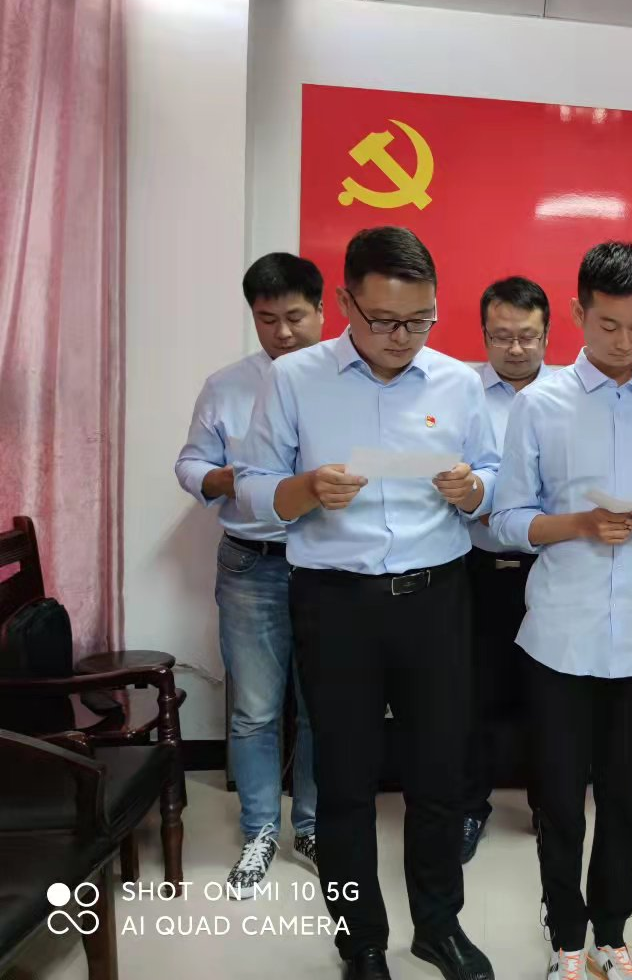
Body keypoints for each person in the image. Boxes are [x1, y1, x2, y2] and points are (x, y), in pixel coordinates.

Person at [235, 227, 500, 980]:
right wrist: (304, 489)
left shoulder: (457, 382)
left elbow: (492, 474)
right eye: (384, 320)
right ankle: (361, 943)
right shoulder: (295, 379)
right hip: (337, 604)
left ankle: (438, 926)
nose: (402, 338)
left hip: (435, 599)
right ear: (345, 302)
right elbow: (251, 487)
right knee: (345, 783)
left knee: (439, 775)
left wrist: (473, 489)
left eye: (420, 320)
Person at [491, 242, 632, 980]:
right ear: (578, 313)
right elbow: (507, 518)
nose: (624, 341)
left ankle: (612, 933)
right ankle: (565, 938)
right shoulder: (540, 404)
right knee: (558, 799)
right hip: (560, 632)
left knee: (629, 800)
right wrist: (579, 525)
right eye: (608, 325)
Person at [174, 252, 324, 898]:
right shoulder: (226, 385)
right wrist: (222, 479)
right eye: (267, 320)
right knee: (255, 710)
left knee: (323, 707)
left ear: (323, 310)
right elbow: (190, 463)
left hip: (326, 562)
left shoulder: (346, 382)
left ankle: (312, 826)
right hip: (252, 564)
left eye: (295, 317)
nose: (282, 332)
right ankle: (261, 829)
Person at [461, 276, 554, 860]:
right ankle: (470, 806)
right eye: (501, 336)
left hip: (551, 565)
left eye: (527, 336)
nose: (515, 348)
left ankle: (549, 804)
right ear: (484, 334)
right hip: (477, 564)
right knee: (473, 692)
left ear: (547, 334)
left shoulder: (569, 395)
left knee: (551, 693)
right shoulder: (460, 392)